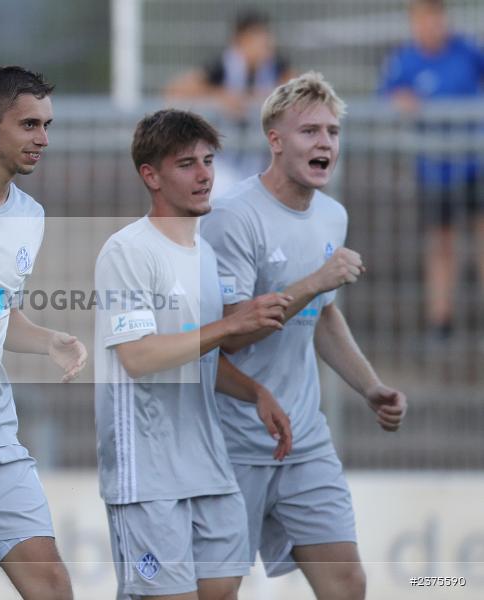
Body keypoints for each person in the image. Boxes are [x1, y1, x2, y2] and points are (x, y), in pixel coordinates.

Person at [201, 72, 408, 600]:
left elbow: (324, 315)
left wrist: (370, 387)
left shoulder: (332, 216)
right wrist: (316, 280)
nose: (325, 143)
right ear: (275, 140)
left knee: (347, 584)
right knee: (215, 591)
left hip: (305, 439)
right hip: (233, 443)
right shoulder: (233, 216)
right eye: (310, 131)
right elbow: (230, 334)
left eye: (332, 132)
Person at [94, 108, 294, 600]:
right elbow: (139, 357)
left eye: (208, 161)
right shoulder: (127, 251)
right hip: (148, 476)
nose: (204, 175)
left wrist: (255, 392)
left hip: (208, 466)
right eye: (187, 164)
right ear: (151, 176)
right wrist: (230, 325)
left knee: (222, 590)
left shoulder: (205, 255)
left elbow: (197, 355)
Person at [379, 0, 484, 340]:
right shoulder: (404, 60)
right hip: (434, 168)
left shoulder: (467, 50)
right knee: (440, 241)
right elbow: (385, 97)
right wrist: (398, 101)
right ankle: (441, 319)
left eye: (436, 17)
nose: (432, 25)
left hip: (474, 161)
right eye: (424, 19)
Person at [164, 9, 292, 118]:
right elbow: (175, 90)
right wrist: (221, 96)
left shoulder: (276, 65)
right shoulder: (221, 65)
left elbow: (297, 90)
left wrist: (271, 96)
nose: (266, 42)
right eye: (256, 37)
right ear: (240, 40)